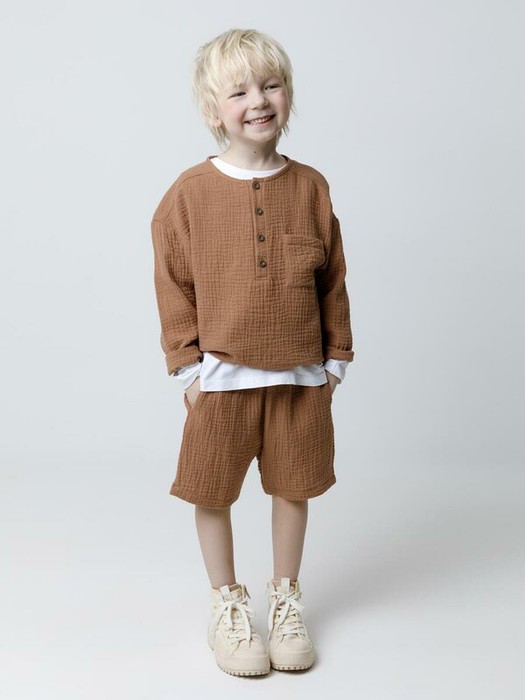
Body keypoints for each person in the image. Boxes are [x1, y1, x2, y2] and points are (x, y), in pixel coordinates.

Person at [150, 27, 355, 677]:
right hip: (221, 377)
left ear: (288, 95)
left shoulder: (312, 187)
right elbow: (172, 282)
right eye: (238, 92)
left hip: (300, 375)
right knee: (212, 490)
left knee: (293, 487)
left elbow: (332, 278)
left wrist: (334, 360)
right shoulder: (189, 193)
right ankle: (227, 604)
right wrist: (187, 367)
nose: (258, 101)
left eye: (271, 85)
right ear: (214, 111)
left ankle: (286, 599)